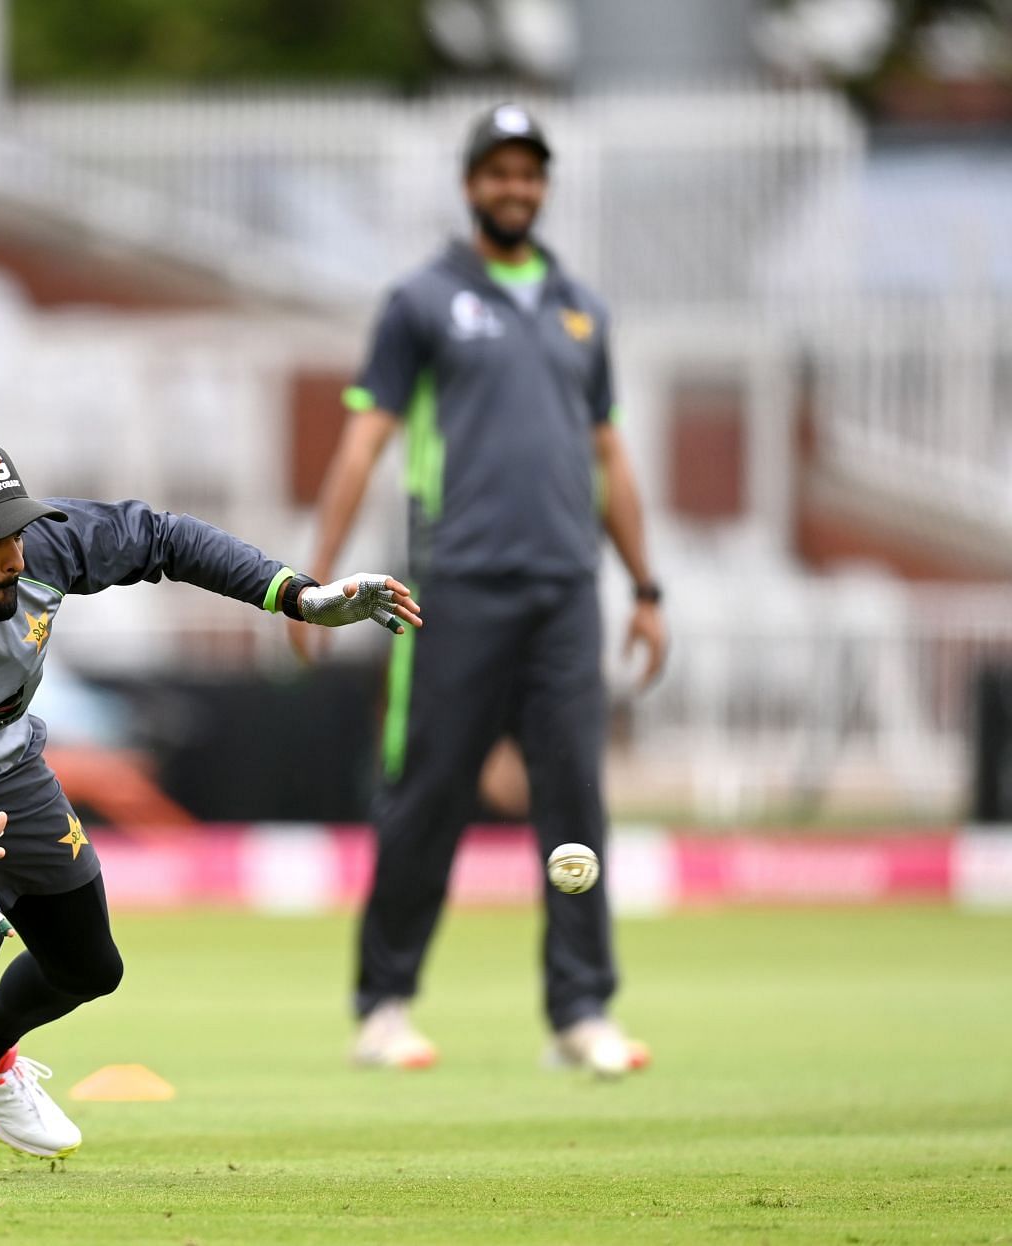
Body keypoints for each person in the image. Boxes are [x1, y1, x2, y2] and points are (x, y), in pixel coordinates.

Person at [0, 435, 422, 1182]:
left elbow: (165, 538)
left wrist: (298, 595)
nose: (15, 557)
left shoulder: (43, 548)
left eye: (17, 531)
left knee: (88, 965)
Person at [296, 103, 668, 1077]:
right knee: (429, 795)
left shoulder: (583, 308)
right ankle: (384, 1005)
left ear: (543, 185)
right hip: (447, 590)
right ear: (472, 184)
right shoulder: (422, 299)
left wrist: (648, 586)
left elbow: (610, 454)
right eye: (499, 171)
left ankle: (581, 1014)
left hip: (564, 591)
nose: (516, 187)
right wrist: (312, 583)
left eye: (530, 172)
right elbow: (364, 439)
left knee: (576, 801)